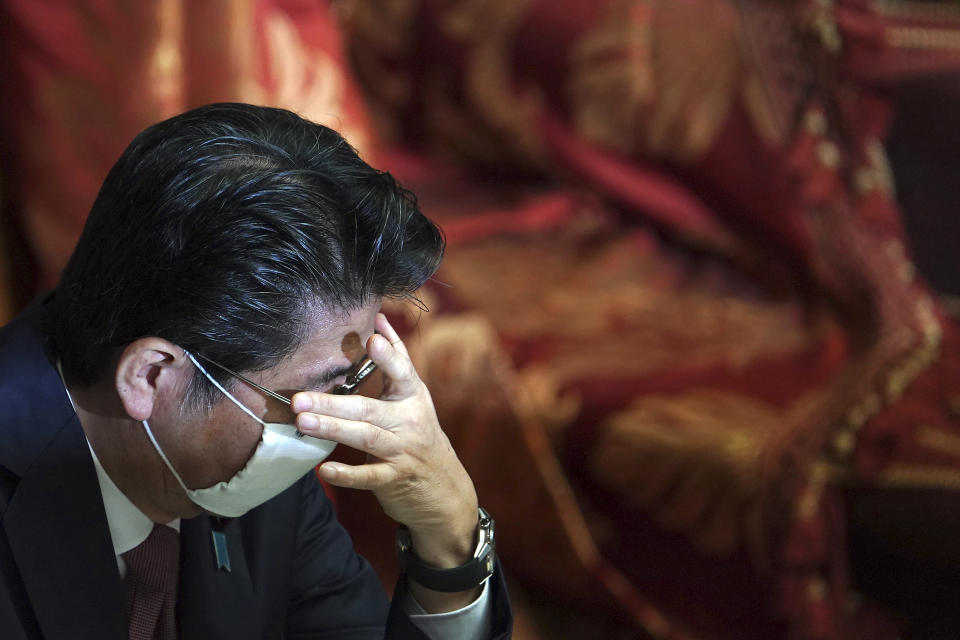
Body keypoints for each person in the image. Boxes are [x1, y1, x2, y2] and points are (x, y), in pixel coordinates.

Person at [0, 103, 512, 639]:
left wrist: (451, 543)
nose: (329, 430)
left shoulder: (250, 476)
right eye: (322, 393)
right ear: (151, 376)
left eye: (351, 385)